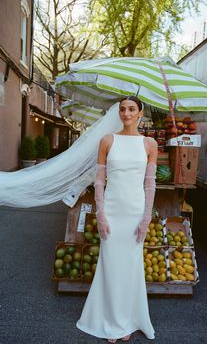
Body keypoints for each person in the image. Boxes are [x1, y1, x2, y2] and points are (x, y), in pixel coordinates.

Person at [76, 96, 157, 342]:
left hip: (135, 211)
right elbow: (99, 182)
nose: (126, 113)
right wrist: (100, 214)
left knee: (131, 266)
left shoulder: (150, 144)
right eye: (123, 109)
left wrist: (146, 219)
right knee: (110, 265)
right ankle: (111, 322)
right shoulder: (107, 141)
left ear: (140, 113)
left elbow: (150, 184)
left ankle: (129, 321)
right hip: (112, 210)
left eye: (132, 109)